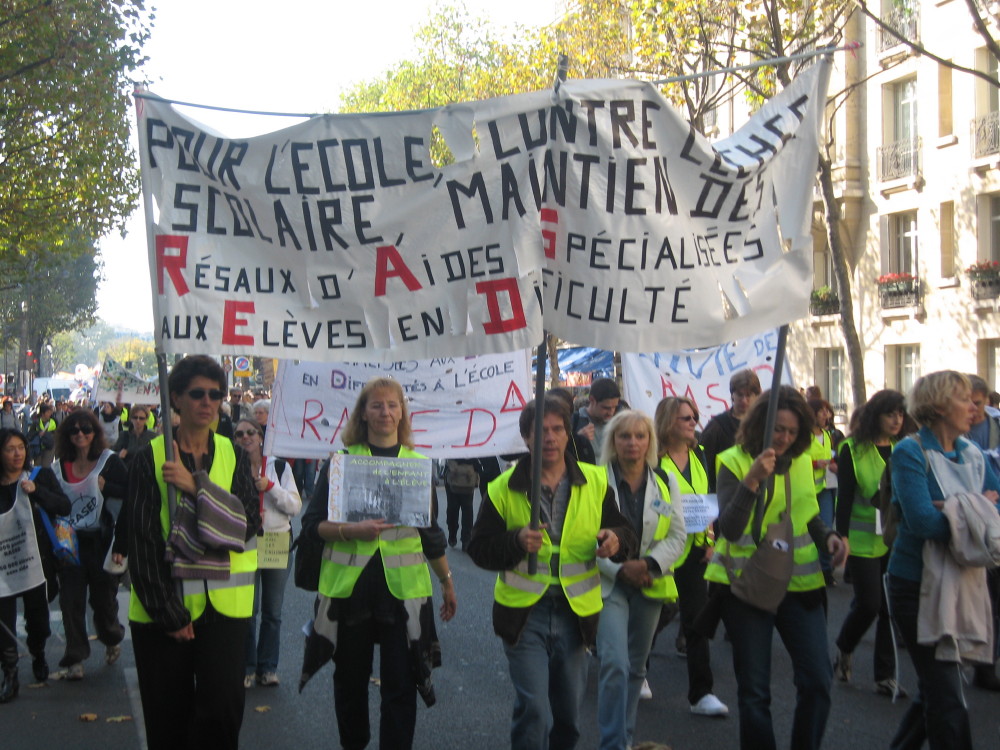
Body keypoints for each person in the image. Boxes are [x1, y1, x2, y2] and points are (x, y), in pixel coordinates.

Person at [467, 395, 635, 750]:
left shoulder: (595, 481)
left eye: (558, 429)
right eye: (540, 431)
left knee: (569, 717)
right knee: (535, 710)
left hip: (577, 615)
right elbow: (478, 549)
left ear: (568, 433)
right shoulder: (503, 487)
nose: (550, 437)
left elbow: (625, 532)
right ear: (526, 438)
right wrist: (515, 542)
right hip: (525, 614)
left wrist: (613, 540)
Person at [300, 377, 456, 750]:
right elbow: (311, 527)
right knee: (350, 684)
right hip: (350, 593)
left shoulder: (419, 465)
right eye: (376, 405)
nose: (385, 412)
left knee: (401, 688)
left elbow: (430, 534)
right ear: (363, 414)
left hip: (403, 596)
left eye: (392, 405)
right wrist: (350, 530)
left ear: (402, 413)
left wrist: (447, 582)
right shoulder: (341, 462)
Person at [127, 355, 259, 750]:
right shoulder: (149, 457)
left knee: (222, 712)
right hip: (163, 610)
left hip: (225, 609)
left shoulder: (232, 453)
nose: (208, 402)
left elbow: (248, 522)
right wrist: (168, 614)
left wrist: (194, 487)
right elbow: (142, 540)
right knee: (168, 723)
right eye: (198, 393)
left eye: (215, 394)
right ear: (175, 400)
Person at [704, 385, 847, 750]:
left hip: (799, 586)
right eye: (777, 429)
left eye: (793, 431)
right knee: (754, 694)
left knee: (817, 681)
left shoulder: (799, 461)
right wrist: (752, 480)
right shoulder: (733, 461)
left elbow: (808, 511)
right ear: (759, 426)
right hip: (745, 587)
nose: (784, 438)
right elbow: (731, 529)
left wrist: (828, 536)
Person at [887, 371, 1000, 749]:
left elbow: (992, 522)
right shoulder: (910, 451)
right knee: (948, 698)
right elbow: (923, 522)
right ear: (937, 406)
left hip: (963, 583)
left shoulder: (974, 455)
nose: (974, 407)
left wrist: (955, 509)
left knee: (936, 692)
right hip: (916, 584)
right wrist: (976, 507)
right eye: (964, 399)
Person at [595, 409, 686, 750]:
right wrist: (621, 570)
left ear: (650, 441)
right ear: (612, 441)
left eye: (639, 436)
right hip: (609, 583)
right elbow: (587, 536)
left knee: (636, 668)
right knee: (614, 664)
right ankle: (612, 744)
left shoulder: (665, 480)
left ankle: (626, 738)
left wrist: (648, 565)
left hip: (650, 582)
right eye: (624, 436)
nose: (632, 443)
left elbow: (678, 535)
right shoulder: (595, 479)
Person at [654, 396, 729, 717]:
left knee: (696, 620)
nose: (692, 422)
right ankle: (637, 666)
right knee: (656, 612)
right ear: (669, 421)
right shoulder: (654, 460)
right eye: (685, 418)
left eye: (694, 417)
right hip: (662, 550)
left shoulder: (699, 455)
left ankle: (702, 693)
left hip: (696, 550)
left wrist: (712, 540)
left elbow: (708, 500)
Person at [833, 389, 910, 697]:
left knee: (888, 609)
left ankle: (885, 676)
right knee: (869, 604)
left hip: (895, 539)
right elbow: (846, 497)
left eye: (900, 414)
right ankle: (844, 646)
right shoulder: (852, 449)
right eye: (890, 413)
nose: (896, 419)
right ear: (875, 415)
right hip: (861, 540)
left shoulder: (903, 449)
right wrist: (843, 538)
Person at [52, 409, 128, 679]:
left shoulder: (108, 462)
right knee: (71, 601)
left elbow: (130, 495)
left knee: (103, 601)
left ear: (95, 433)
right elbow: (51, 503)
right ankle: (75, 658)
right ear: (67, 436)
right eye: (74, 430)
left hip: (101, 541)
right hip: (69, 544)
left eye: (86, 429)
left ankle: (112, 636)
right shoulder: (58, 466)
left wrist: (107, 488)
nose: (80, 434)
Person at [0, 428, 70, 702]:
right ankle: (10, 673)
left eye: (21, 447)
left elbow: (64, 507)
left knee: (38, 619)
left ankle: (38, 652)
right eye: (9, 449)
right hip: (4, 567)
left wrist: (37, 492)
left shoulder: (40, 476)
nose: (17, 454)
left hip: (36, 564)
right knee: (4, 624)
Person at [234, 418, 301, 688]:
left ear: (261, 436)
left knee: (272, 612)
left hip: (276, 542)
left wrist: (270, 488)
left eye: (251, 432)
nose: (246, 437)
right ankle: (247, 666)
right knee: (248, 612)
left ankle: (268, 666)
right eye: (239, 434)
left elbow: (295, 506)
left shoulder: (279, 466)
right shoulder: (232, 467)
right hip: (245, 544)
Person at [963, 374, 1000, 691]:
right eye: (966, 402)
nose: (971, 410)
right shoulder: (956, 434)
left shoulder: (995, 427)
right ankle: (977, 665)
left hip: (996, 523)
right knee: (983, 599)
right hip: (973, 527)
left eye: (976, 403)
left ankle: (987, 664)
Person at [700, 369, 762, 491]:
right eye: (740, 394)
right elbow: (704, 464)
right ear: (732, 395)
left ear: (757, 396)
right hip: (725, 492)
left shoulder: (766, 425)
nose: (744, 400)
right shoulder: (716, 426)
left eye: (749, 395)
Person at [807, 397, 839, 586]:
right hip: (809, 489)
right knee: (809, 530)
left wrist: (833, 465)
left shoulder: (827, 436)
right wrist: (814, 464)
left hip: (826, 487)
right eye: (822, 411)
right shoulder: (804, 436)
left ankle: (826, 570)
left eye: (827, 411)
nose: (826, 415)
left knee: (826, 526)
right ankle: (812, 567)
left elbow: (830, 457)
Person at [571, 378, 621, 464]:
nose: (611, 412)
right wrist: (578, 440)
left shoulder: (618, 423)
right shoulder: (574, 421)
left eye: (614, 407)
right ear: (592, 400)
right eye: (606, 408)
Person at [443, 457, 481, 550]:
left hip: (452, 479)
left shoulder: (450, 446)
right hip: (468, 482)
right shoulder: (472, 446)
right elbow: (478, 466)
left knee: (452, 509)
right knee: (467, 511)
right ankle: (466, 540)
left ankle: (452, 536)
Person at [113, 404, 155, 469]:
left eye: (141, 418)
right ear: (131, 419)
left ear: (146, 420)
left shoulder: (152, 436)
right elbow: (113, 453)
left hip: (144, 472)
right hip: (126, 471)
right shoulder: (124, 435)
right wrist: (119, 454)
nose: (138, 420)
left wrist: (129, 451)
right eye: (135, 417)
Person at [26, 403, 57, 468]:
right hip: (38, 447)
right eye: (48, 412)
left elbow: (57, 432)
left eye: (50, 412)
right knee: (37, 466)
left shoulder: (54, 421)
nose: (50, 414)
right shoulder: (36, 422)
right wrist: (38, 433)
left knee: (46, 466)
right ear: (42, 413)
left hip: (49, 446)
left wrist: (49, 434)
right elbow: (30, 434)